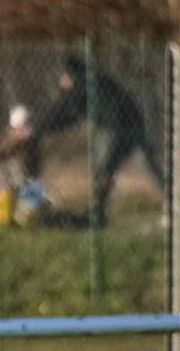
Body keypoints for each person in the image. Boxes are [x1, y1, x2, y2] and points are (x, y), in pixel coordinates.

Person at [37, 55, 164, 227]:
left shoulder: (81, 87)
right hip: (134, 123)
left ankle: (99, 215)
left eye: (64, 76)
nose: (62, 80)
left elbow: (62, 112)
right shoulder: (97, 79)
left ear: (70, 74)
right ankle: (171, 201)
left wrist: (40, 128)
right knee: (150, 167)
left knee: (105, 172)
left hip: (116, 130)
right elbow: (69, 116)